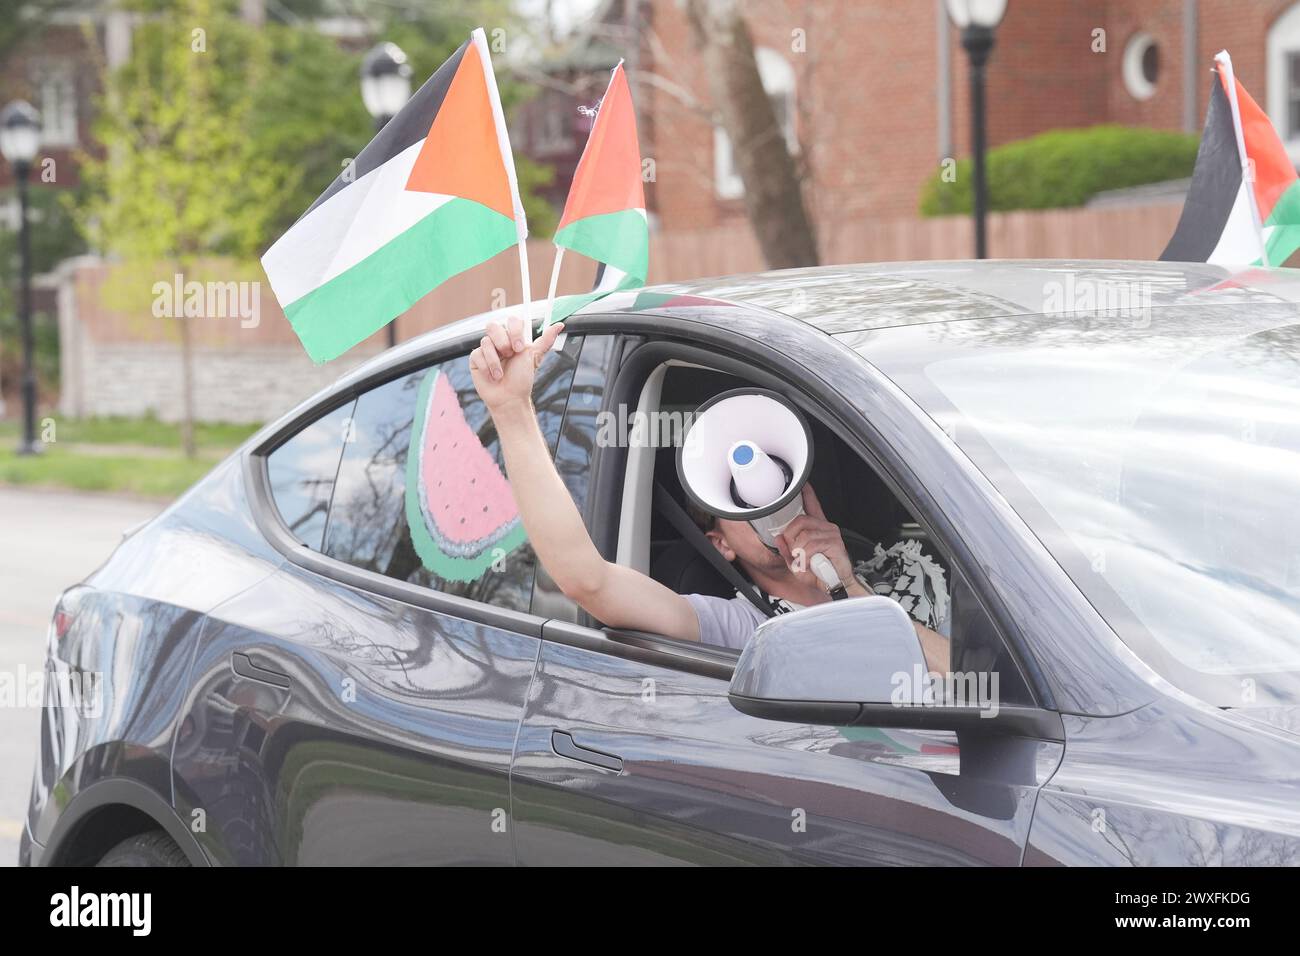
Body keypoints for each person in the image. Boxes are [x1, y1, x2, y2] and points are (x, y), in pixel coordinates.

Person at [469, 316, 950, 671]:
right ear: (719, 542)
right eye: (739, 504)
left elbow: (982, 686)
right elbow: (586, 580)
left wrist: (850, 589)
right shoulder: (744, 628)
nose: (769, 504)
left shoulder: (907, 563)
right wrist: (512, 411)